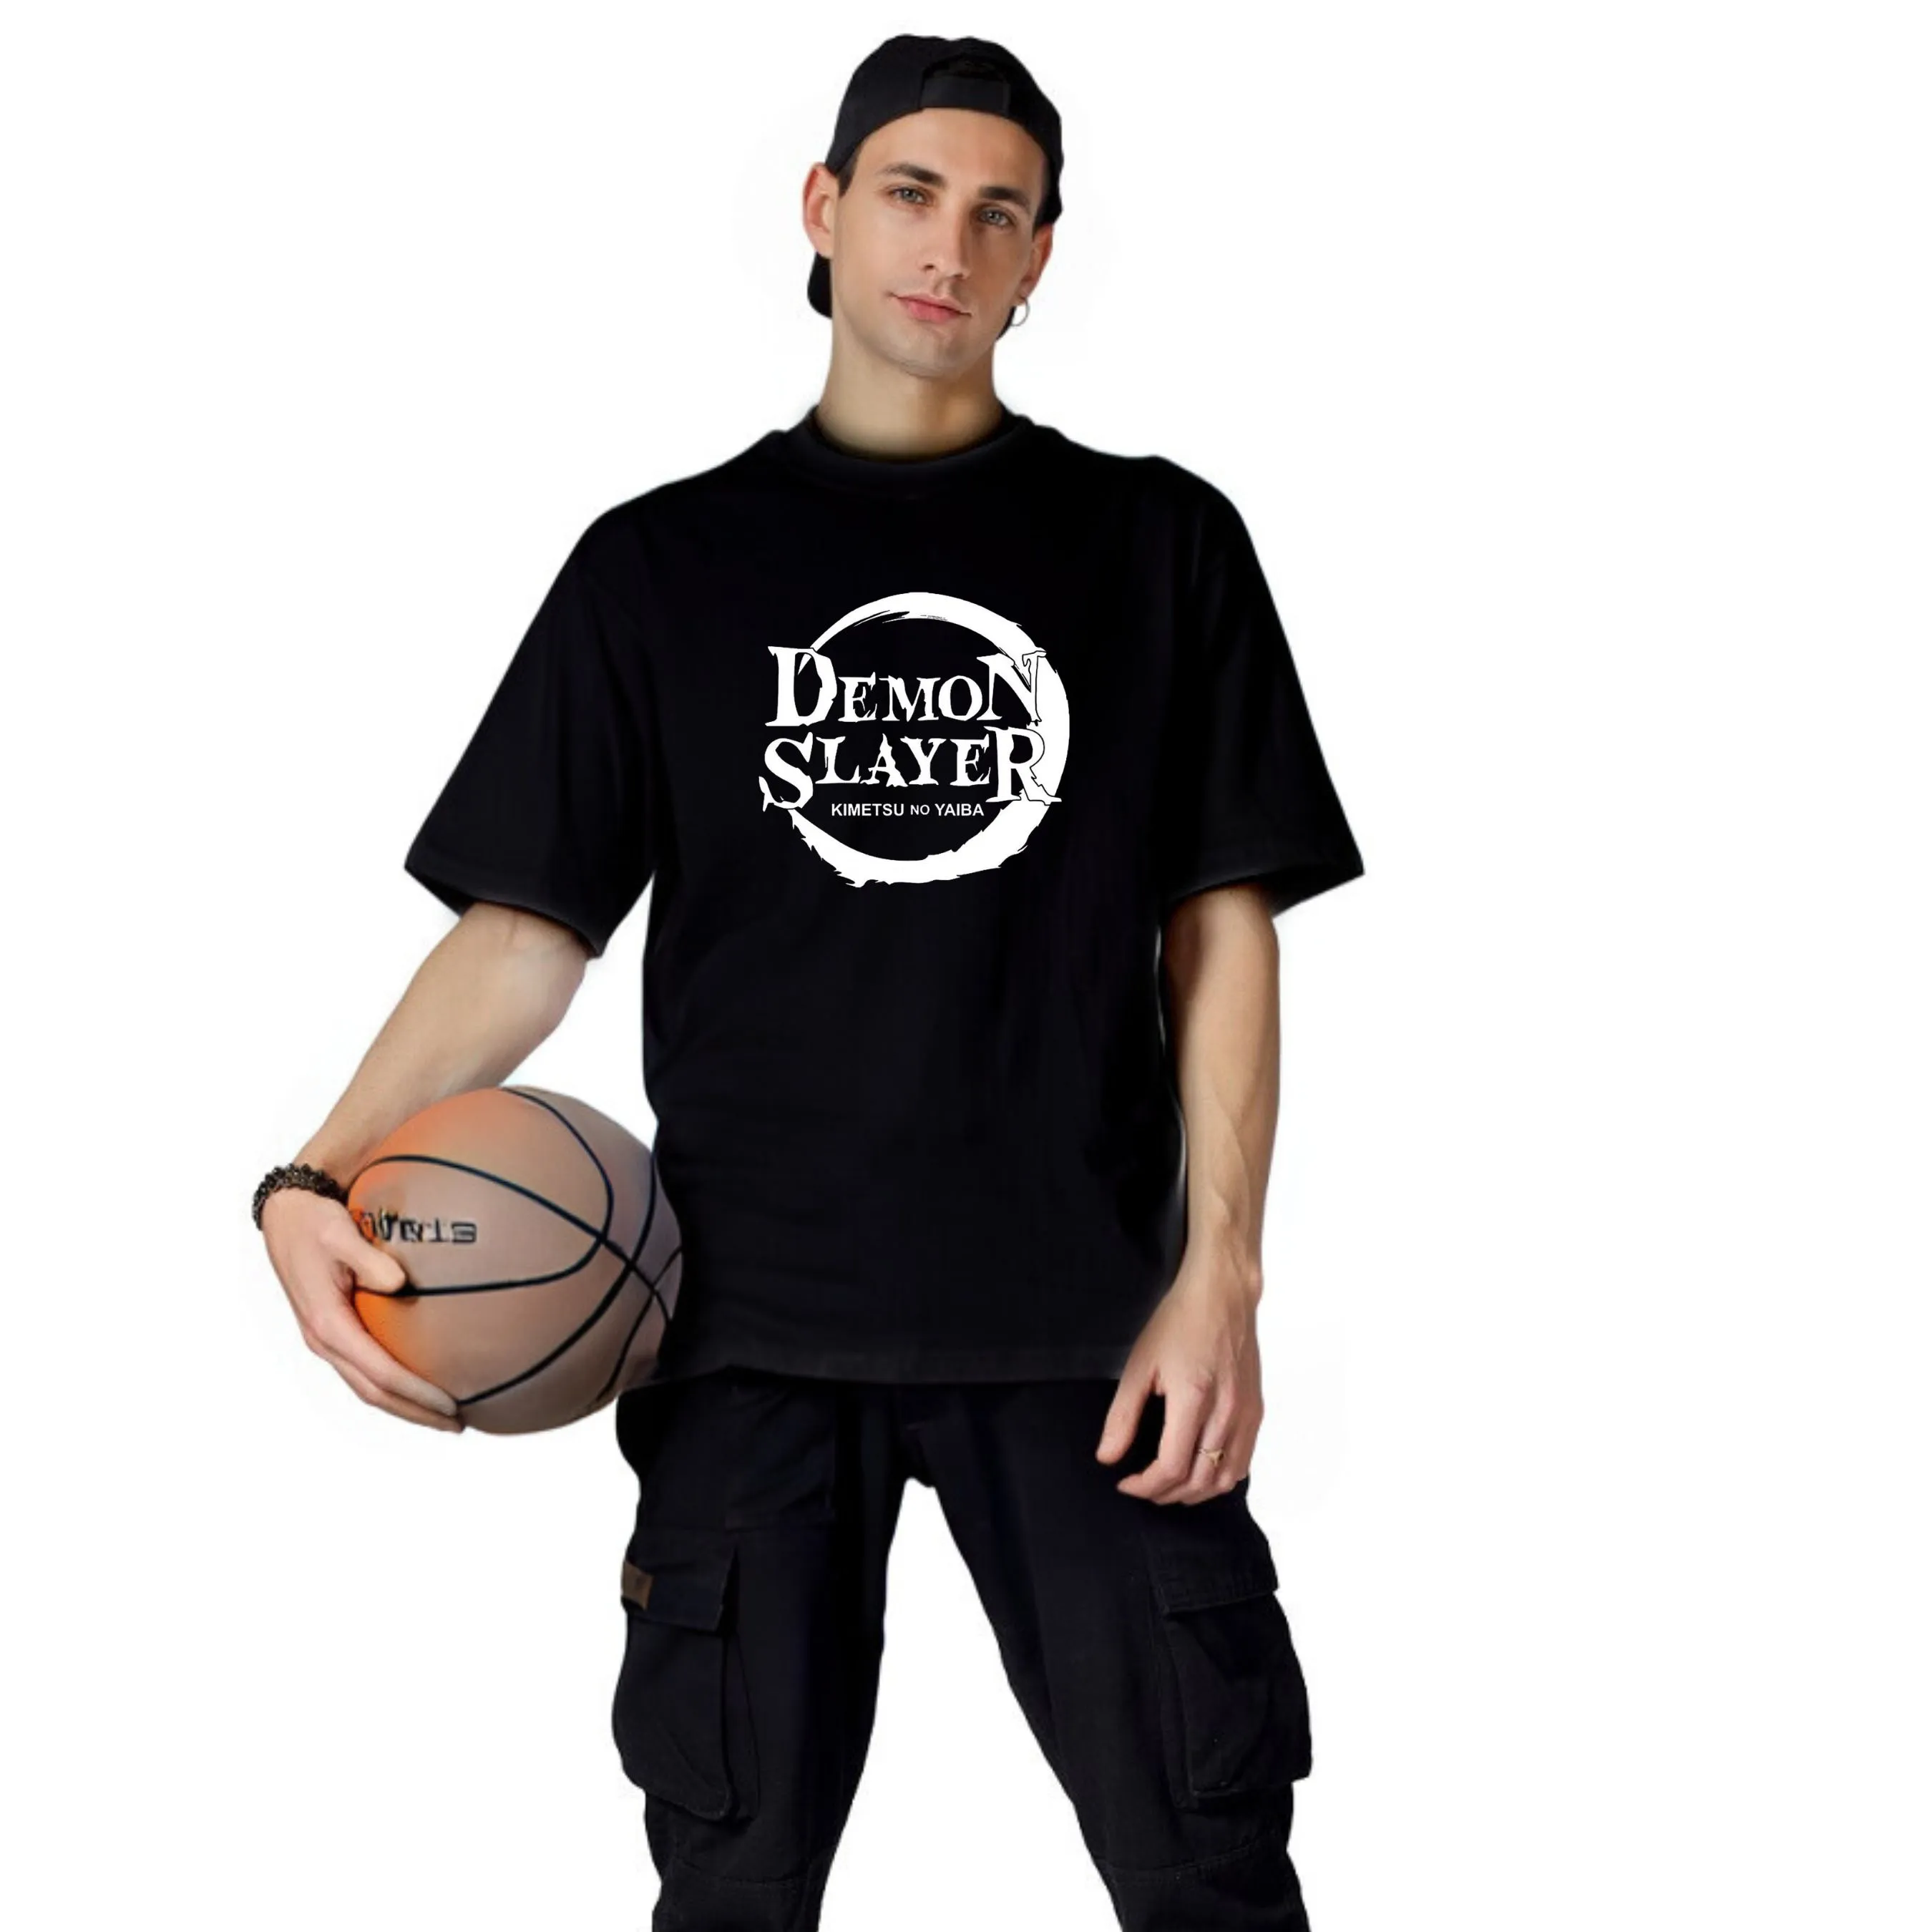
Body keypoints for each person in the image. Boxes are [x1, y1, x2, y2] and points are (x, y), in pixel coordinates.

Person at [256, 33, 1363, 1931]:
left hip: (1090, 1333)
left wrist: (1223, 1277)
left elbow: (1221, 931)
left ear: (1040, 257)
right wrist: (310, 1174)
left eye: (1000, 213)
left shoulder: (1160, 543)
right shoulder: (660, 567)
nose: (951, 245)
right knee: (733, 1891)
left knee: (1209, 1870)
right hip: (740, 1328)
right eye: (912, 194)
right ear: (825, 210)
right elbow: (525, 930)